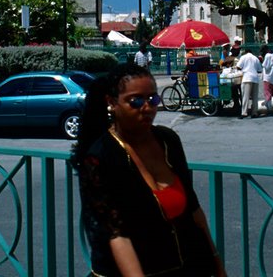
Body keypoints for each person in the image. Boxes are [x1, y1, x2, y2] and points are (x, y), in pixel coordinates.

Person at [72, 64, 227, 276]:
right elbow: (116, 235)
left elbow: (194, 211)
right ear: (112, 103)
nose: (147, 107)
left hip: (187, 266)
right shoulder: (99, 157)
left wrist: (217, 264)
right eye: (135, 101)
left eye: (153, 99)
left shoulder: (168, 141)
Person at [235, 48, 262, 119]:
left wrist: (244, 69)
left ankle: (244, 113)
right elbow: (259, 70)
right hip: (255, 78)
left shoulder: (243, 57)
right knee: (255, 97)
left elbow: (238, 67)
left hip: (247, 78)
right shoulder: (255, 58)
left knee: (245, 97)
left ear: (246, 52)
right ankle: (254, 112)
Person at [260, 44, 273, 113]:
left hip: (268, 76)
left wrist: (261, 60)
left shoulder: (267, 55)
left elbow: (266, 66)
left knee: (267, 92)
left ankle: (268, 106)